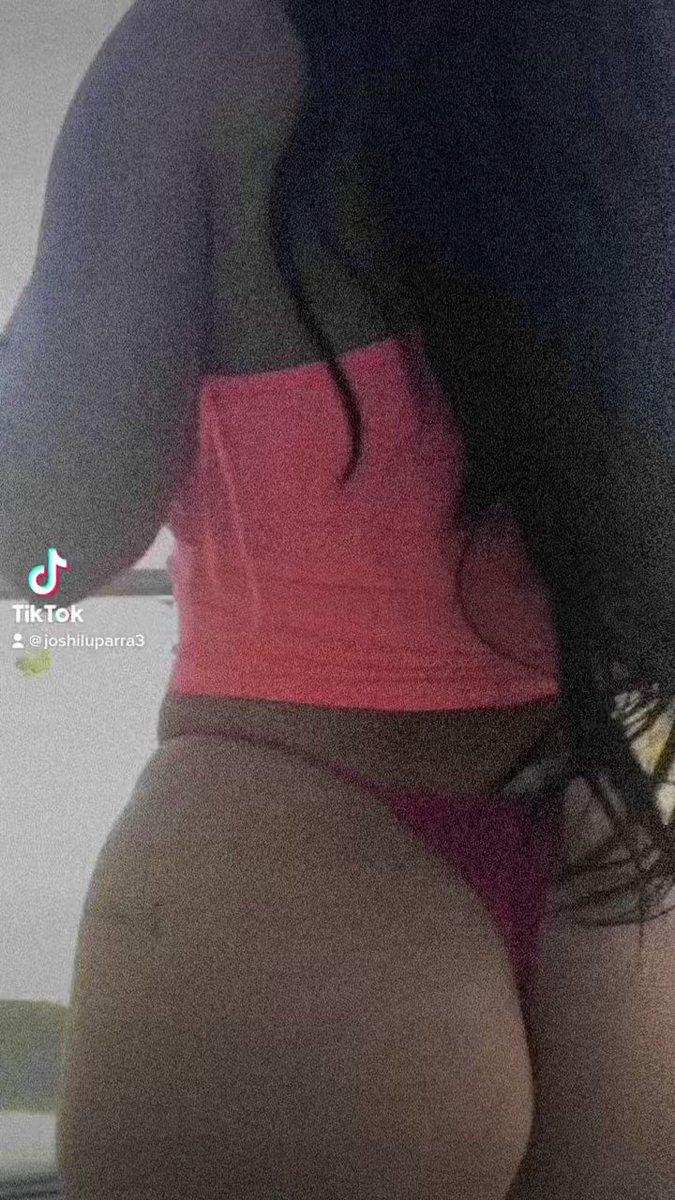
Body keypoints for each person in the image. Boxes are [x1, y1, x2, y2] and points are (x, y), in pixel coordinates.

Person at [2, 0, 675, 1196]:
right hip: (604, 878)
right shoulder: (627, 56)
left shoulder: (205, 52)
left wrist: (39, 576)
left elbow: (52, 540)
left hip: (288, 865)